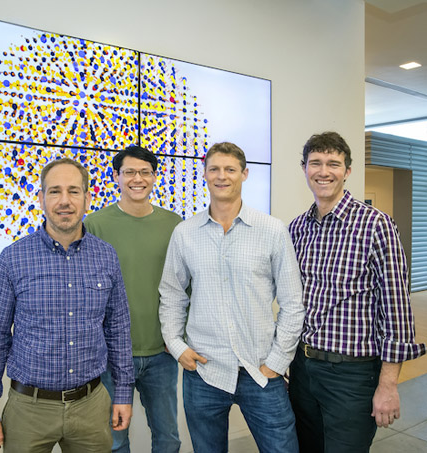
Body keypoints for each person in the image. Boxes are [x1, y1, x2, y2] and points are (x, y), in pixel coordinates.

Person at [0, 158, 135, 453]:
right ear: (41, 198)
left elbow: (118, 329)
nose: (65, 201)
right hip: (28, 410)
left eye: (74, 191)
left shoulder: (106, 257)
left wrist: (124, 392)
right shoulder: (13, 258)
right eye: (55, 191)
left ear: (88, 198)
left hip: (92, 406)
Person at [159, 142, 305, 453]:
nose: (221, 176)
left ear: (244, 174)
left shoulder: (272, 230)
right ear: (204, 174)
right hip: (204, 371)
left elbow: (293, 303)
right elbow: (172, 294)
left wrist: (277, 362)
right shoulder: (185, 233)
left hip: (261, 371)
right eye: (214, 169)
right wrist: (176, 345)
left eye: (230, 169)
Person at [288, 131, 426, 453]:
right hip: (303, 370)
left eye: (333, 164)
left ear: (347, 171)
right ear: (305, 169)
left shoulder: (377, 226)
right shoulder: (296, 228)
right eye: (316, 163)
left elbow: (396, 310)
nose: (324, 171)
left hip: (351, 376)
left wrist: (388, 385)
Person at [84, 145, 182, 453]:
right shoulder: (95, 225)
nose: (137, 179)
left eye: (145, 172)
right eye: (129, 172)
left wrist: (179, 336)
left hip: (162, 353)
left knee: (168, 437)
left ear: (155, 177)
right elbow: (84, 290)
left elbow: (185, 285)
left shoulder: (174, 224)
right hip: (111, 355)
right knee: (114, 441)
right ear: (116, 177)